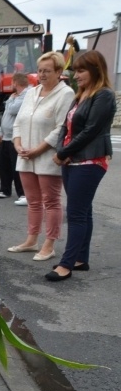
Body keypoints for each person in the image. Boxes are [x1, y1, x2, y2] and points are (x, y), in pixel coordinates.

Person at [47, 51, 115, 282]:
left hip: (89, 161)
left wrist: (64, 153)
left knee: (75, 214)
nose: (76, 75)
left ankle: (66, 264)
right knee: (84, 211)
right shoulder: (81, 95)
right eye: (75, 71)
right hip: (72, 160)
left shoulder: (103, 95)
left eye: (81, 70)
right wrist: (61, 151)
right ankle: (80, 259)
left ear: (96, 70)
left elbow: (90, 131)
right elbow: (65, 128)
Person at [8, 52, 74, 261]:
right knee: (33, 201)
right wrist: (17, 144)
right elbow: (18, 122)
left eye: (47, 71)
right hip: (25, 156)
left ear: (59, 72)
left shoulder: (66, 94)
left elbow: (61, 128)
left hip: (47, 156)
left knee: (51, 201)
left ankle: (49, 243)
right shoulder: (31, 92)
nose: (42, 75)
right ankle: (31, 240)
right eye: (40, 70)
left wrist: (38, 149)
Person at [0, 73, 28, 204]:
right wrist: (0, 132)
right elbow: (6, 115)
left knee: (16, 165)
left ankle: (22, 192)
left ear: (16, 82)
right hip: (5, 136)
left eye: (12, 82)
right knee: (4, 165)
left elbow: (13, 109)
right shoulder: (14, 97)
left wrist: (10, 100)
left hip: (15, 137)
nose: (11, 85)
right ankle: (5, 189)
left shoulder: (25, 95)